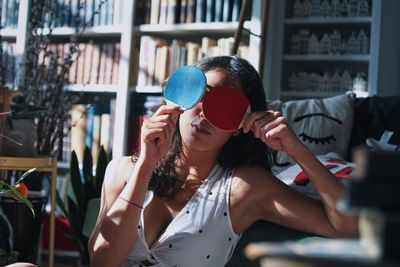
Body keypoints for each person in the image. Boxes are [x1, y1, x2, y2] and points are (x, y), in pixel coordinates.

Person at [88, 56, 359, 267]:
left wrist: (297, 150)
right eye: (199, 94)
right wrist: (146, 164)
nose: (204, 113)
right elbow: (102, 261)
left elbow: (346, 226)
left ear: (241, 124)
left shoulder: (244, 188)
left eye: (225, 106)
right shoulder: (123, 170)